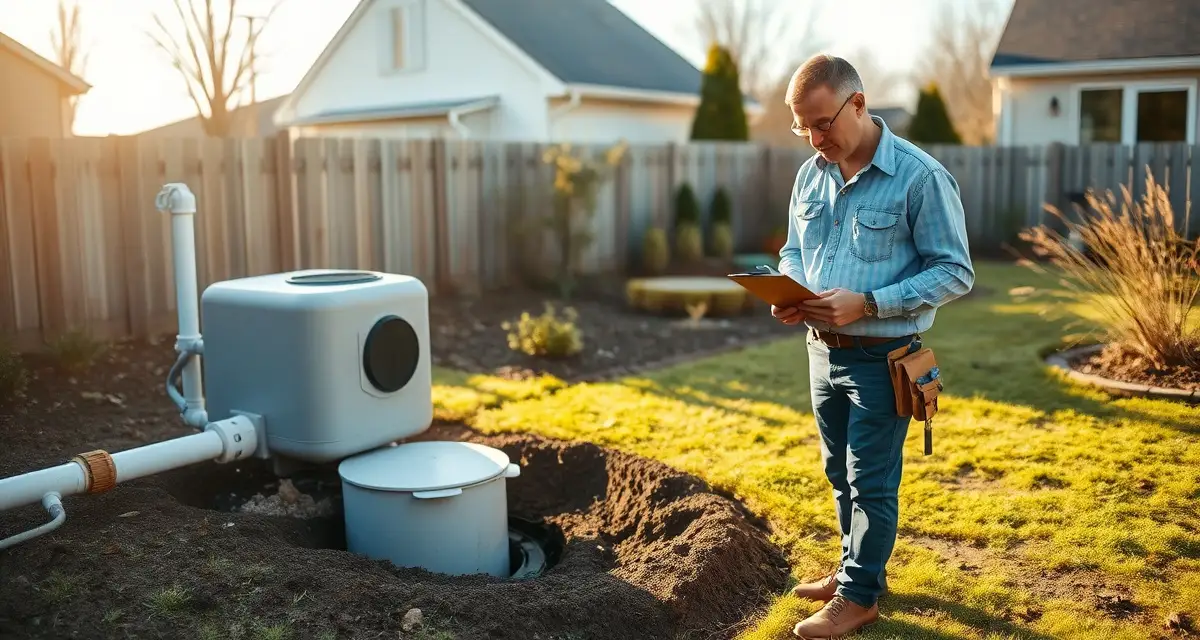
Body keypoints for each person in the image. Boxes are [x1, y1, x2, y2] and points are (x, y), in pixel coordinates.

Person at [771, 54, 974, 639]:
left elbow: (955, 272)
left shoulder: (921, 177)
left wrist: (870, 302)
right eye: (801, 126)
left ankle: (858, 599)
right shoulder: (811, 174)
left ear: (858, 104)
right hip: (820, 352)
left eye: (823, 123)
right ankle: (854, 571)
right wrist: (791, 292)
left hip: (883, 359)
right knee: (839, 472)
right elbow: (791, 250)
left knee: (872, 480)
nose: (813, 138)